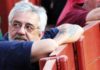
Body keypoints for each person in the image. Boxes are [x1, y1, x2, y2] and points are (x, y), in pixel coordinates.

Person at [0, 1, 84, 70]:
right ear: (9, 26)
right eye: (16, 24)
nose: (21, 31)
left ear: (40, 34)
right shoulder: (2, 47)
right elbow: (49, 45)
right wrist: (53, 44)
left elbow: (76, 28)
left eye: (29, 27)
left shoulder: (43, 38)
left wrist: (57, 41)